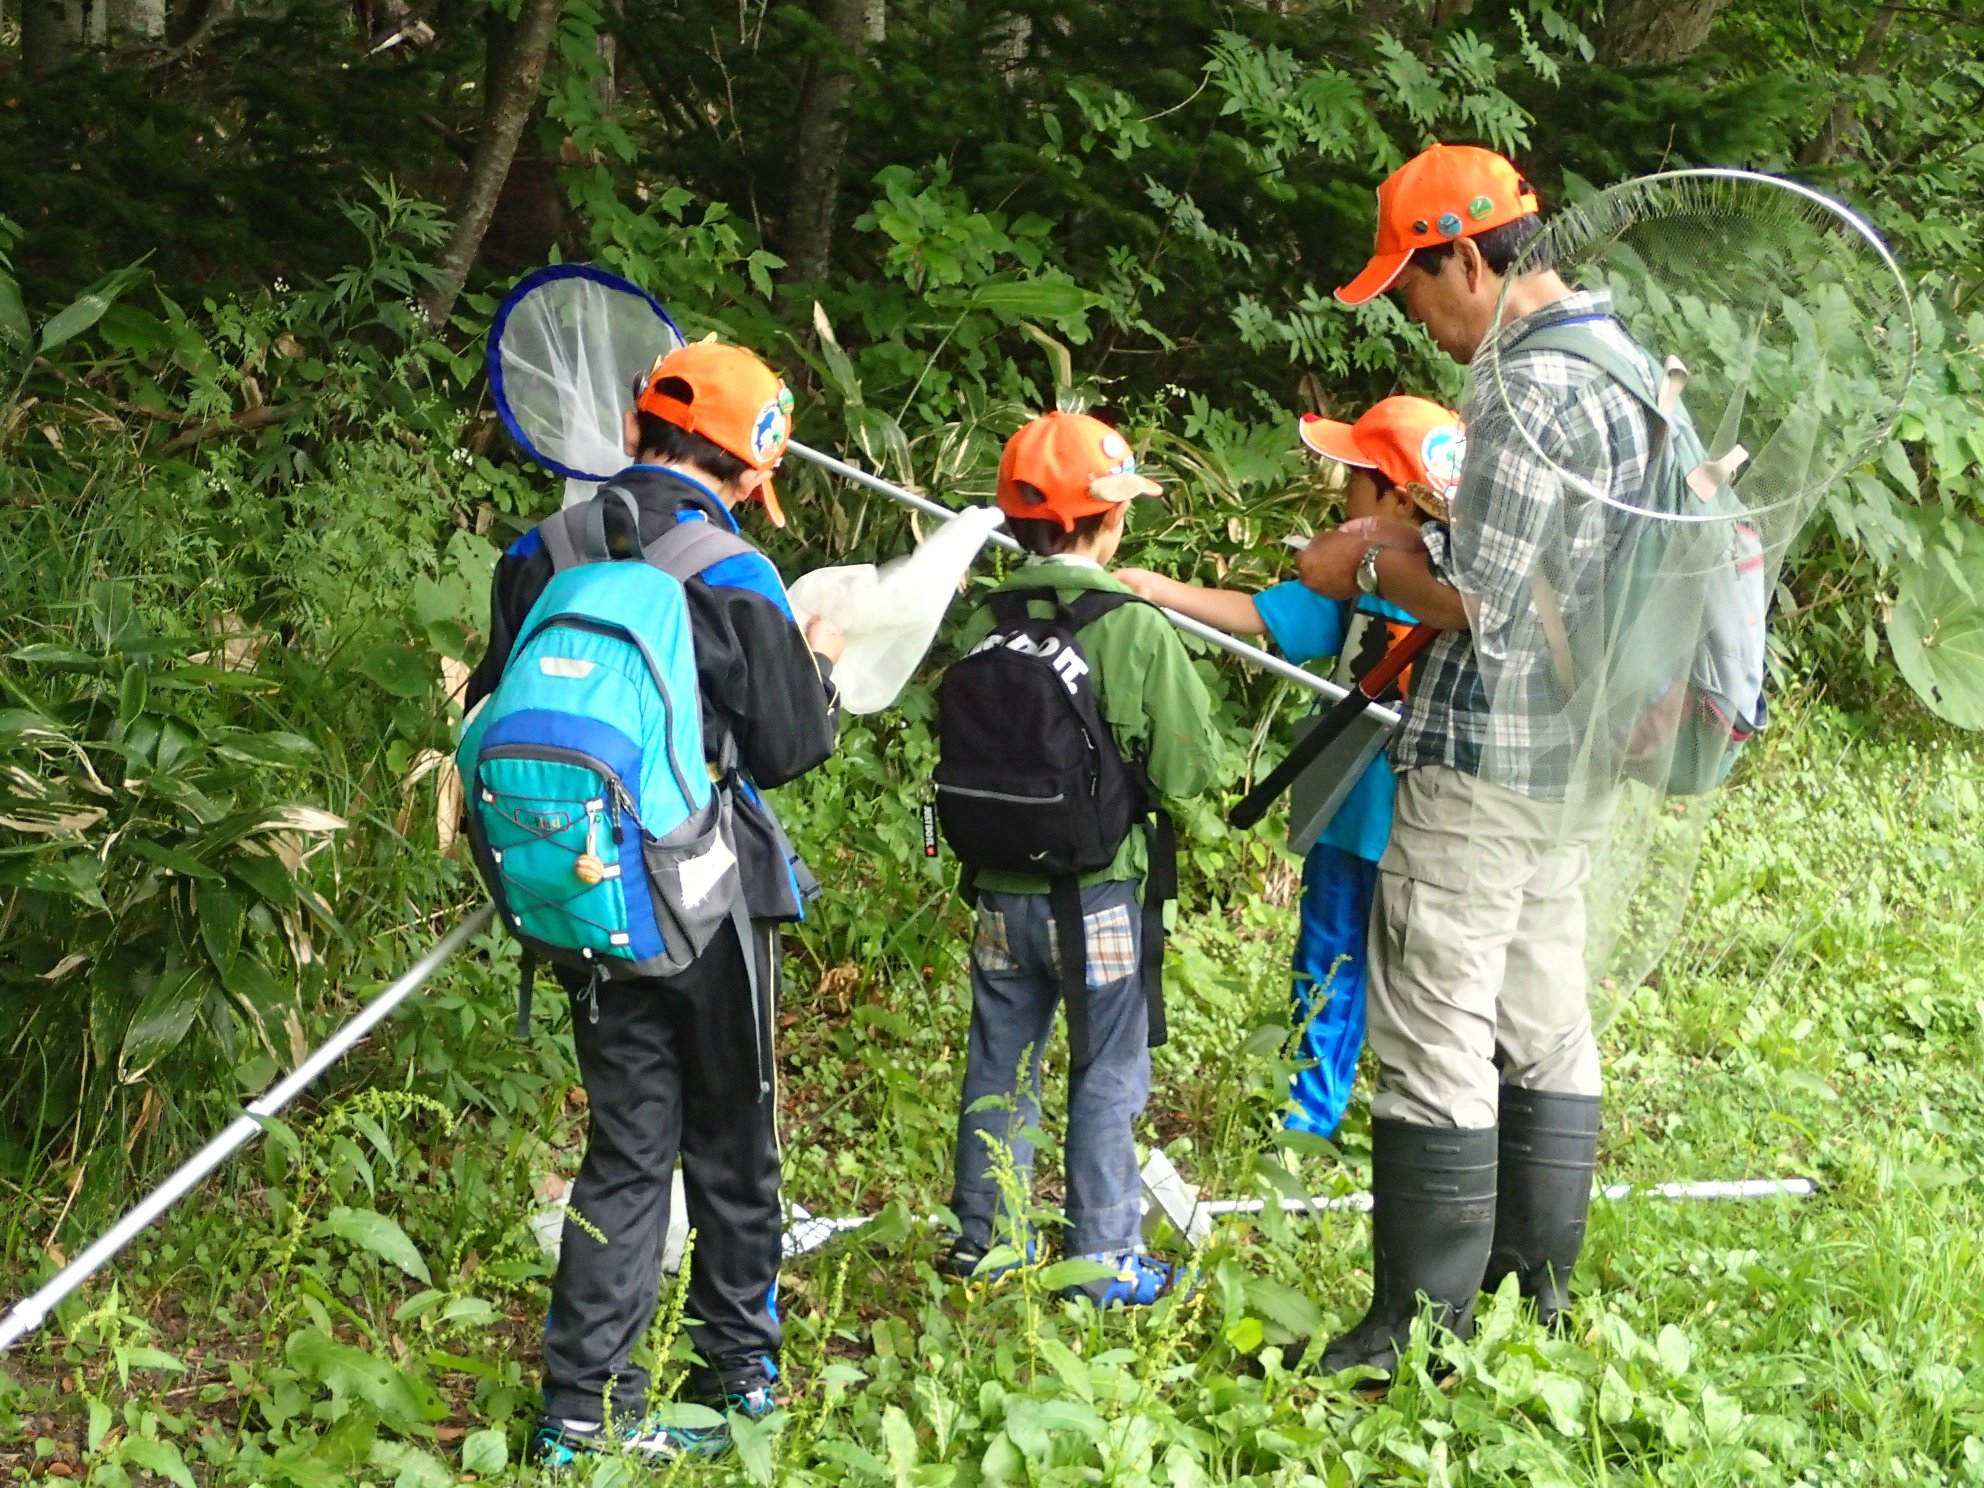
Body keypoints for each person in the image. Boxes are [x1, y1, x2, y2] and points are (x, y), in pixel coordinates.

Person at [1294, 142, 1659, 1377]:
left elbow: (1481, 600)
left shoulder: (1523, 383)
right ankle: (1529, 1294)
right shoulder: (1620, 361)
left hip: (1488, 749)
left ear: (1463, 257)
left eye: (1410, 284)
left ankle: (1415, 1329)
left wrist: (1358, 559)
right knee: (1543, 1008)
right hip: (1579, 750)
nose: (1413, 314)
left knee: (1436, 1014)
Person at [464, 341, 846, 1465]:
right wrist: (819, 664)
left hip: (585, 898)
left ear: (636, 430)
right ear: (752, 472)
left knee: (626, 1149)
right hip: (710, 899)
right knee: (734, 1138)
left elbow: (492, 702)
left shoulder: (539, 553)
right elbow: (789, 746)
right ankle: (739, 1379)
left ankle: (579, 1416)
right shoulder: (733, 571)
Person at [1117, 397, 1463, 1140]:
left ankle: (1427, 1124)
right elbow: (1263, 615)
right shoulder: (1356, 578)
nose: (1342, 491)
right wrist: (1155, 589)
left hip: (1429, 823)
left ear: (1401, 499)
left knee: (1424, 978)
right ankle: (1308, 1118)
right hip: (1345, 806)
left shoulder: (1469, 588)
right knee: (1328, 959)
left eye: (1356, 478)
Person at [939, 411, 1222, 1306]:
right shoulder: (1132, 628)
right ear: (1109, 520)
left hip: (996, 893)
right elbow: (1190, 769)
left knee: (999, 1065)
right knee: (1107, 1073)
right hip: (1098, 897)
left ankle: (987, 1243)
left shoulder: (982, 619)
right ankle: (1103, 1263)